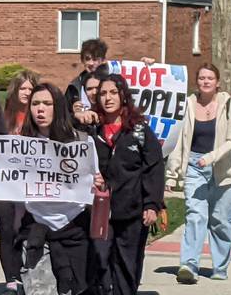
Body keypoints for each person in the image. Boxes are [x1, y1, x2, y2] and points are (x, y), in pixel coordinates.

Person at [0, 83, 95, 295]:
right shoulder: (18, 146)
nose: (40, 109)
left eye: (47, 103)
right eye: (35, 103)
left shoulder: (82, 142)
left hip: (75, 232)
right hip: (36, 231)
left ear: (59, 107)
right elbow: (7, 184)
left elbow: (92, 191)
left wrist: (98, 185)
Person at [166, 64, 231, 284]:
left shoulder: (228, 105)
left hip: (224, 170)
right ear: (197, 82)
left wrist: (211, 157)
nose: (205, 81)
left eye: (210, 78)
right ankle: (189, 264)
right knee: (195, 216)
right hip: (194, 167)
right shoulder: (187, 105)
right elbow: (179, 141)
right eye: (201, 78)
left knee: (221, 221)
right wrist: (173, 173)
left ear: (217, 82)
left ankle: (220, 266)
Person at [89, 74, 164, 295]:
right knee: (100, 260)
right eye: (102, 93)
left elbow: (154, 168)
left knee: (127, 265)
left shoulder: (139, 130)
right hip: (100, 211)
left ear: (123, 95)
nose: (108, 98)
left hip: (132, 211)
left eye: (113, 92)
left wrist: (152, 204)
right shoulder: (92, 130)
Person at [0, 70, 39, 295]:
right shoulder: (3, 117)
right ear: (15, 91)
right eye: (23, 88)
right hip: (4, 183)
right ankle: (10, 278)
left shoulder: (38, 117)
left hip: (30, 184)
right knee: (6, 230)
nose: (27, 92)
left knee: (26, 229)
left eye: (31, 88)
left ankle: (25, 271)